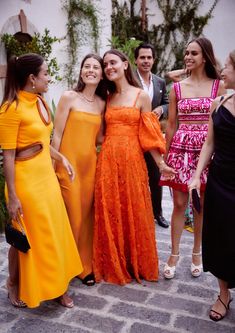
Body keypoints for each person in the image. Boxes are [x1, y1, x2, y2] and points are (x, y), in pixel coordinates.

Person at [0, 53, 83, 308]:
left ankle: (59, 287)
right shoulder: (9, 109)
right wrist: (13, 196)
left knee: (55, 233)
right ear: (32, 78)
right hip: (24, 181)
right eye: (45, 73)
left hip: (45, 177)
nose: (49, 78)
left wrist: (61, 158)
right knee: (26, 237)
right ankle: (14, 283)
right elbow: (9, 156)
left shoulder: (40, 103)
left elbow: (43, 143)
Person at [93, 49, 176, 284]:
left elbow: (148, 136)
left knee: (134, 209)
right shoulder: (106, 97)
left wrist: (161, 164)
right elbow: (99, 136)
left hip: (132, 162)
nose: (109, 67)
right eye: (105, 64)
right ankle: (113, 262)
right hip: (108, 161)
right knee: (111, 210)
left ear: (125, 64)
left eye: (113, 63)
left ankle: (135, 263)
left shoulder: (141, 96)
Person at [159, 37, 225, 279]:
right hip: (181, 149)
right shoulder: (177, 88)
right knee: (178, 204)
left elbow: (221, 121)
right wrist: (165, 159)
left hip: (207, 151)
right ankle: (174, 253)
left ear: (205, 57)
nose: (187, 57)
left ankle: (197, 252)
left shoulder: (218, 86)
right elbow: (171, 125)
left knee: (200, 205)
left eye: (193, 53)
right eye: (186, 52)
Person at [52, 54, 106, 286]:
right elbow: (56, 134)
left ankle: (84, 267)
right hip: (68, 165)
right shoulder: (68, 97)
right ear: (81, 71)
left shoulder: (102, 103)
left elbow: (101, 137)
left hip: (90, 167)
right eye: (87, 66)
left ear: (102, 74)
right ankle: (63, 267)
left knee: (86, 218)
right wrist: (55, 164)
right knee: (71, 217)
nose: (91, 70)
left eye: (95, 67)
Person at [189, 50, 235, 322]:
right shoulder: (218, 102)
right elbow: (210, 143)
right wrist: (197, 175)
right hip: (220, 179)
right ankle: (223, 294)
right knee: (220, 236)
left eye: (229, 64)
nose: (223, 68)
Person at [134, 43, 169, 228]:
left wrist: (161, 109)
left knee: (156, 177)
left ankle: (158, 213)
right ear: (135, 60)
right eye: (142, 57)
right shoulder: (130, 80)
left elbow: (168, 103)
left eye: (149, 58)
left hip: (151, 136)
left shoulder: (160, 82)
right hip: (132, 137)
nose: (146, 61)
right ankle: (138, 215)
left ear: (153, 60)